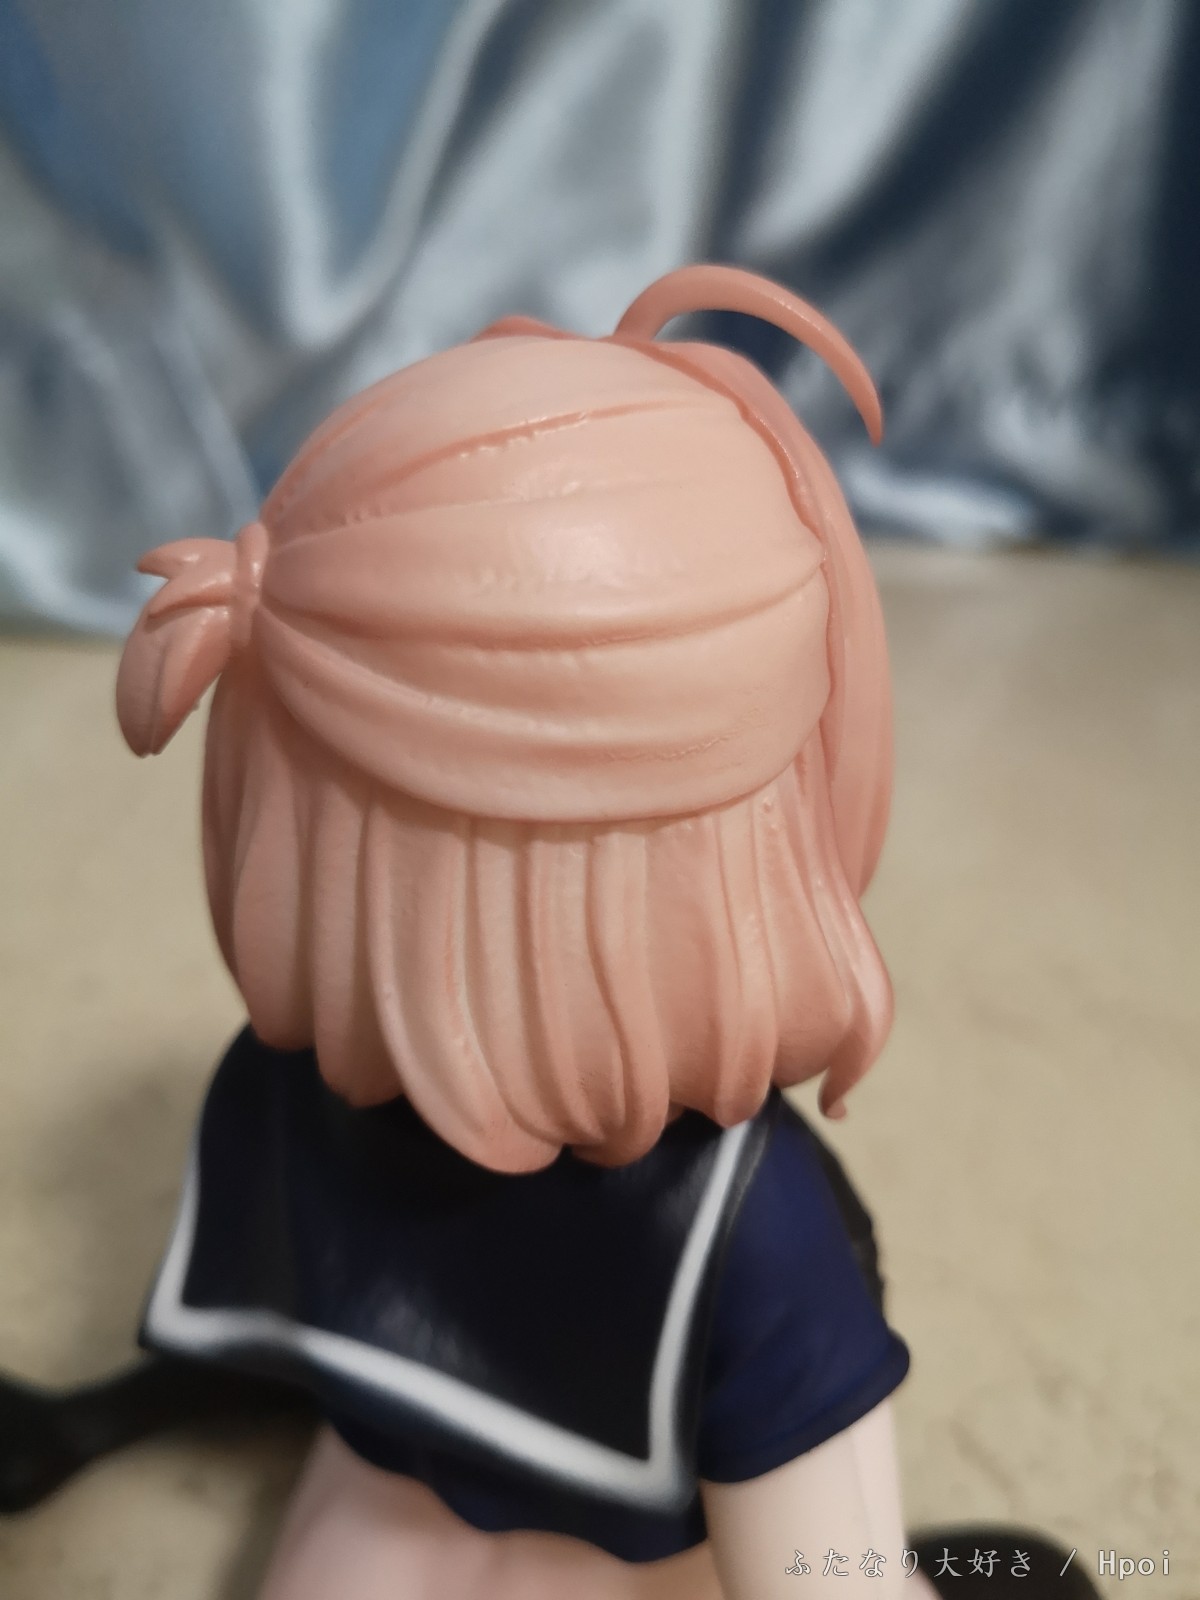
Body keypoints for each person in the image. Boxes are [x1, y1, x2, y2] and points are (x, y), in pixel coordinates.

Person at [6, 265, 1097, 1599]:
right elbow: (828, 1577)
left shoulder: (287, 1092)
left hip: (394, 1529)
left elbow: (303, 1343)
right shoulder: (742, 1225)